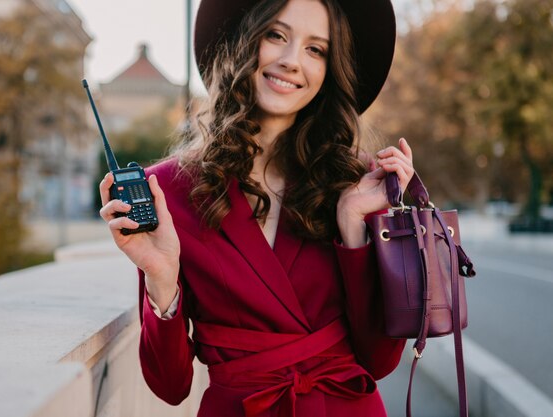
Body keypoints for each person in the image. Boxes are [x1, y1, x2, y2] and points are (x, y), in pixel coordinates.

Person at [99, 0, 414, 415]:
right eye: (276, 35)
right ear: (244, 41)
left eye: (315, 49)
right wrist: (161, 279)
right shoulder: (169, 191)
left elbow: (379, 360)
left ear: (329, 70)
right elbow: (171, 386)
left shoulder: (353, 180)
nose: (290, 61)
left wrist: (353, 225)